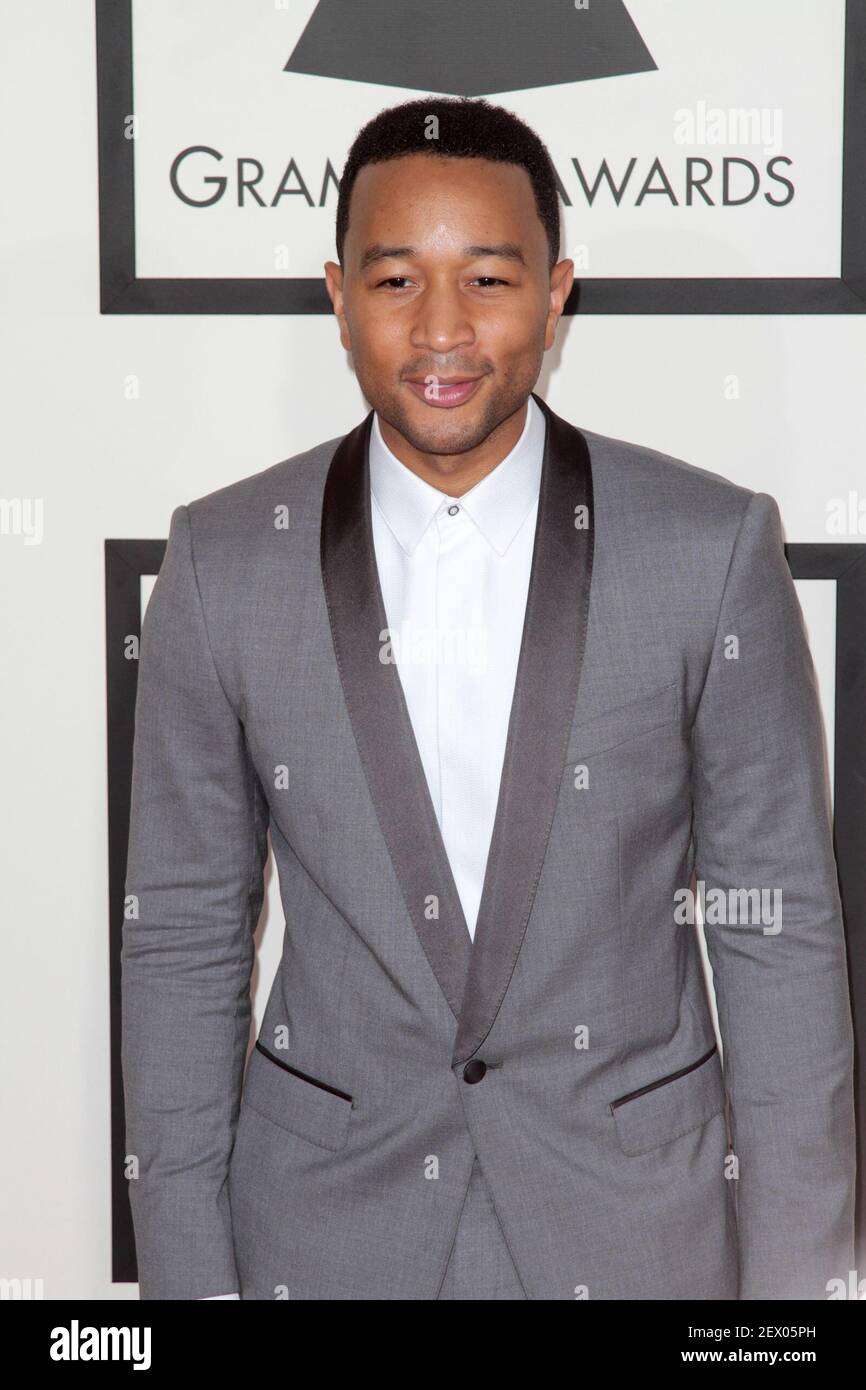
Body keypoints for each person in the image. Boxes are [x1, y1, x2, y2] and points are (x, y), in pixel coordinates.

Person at [121, 96, 855, 1300]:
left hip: (637, 1235)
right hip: (322, 1235)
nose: (441, 330)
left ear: (555, 294)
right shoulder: (220, 563)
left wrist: (793, 1299)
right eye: (397, 280)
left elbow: (771, 933)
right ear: (337, 295)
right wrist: (187, 1281)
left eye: (489, 280)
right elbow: (183, 942)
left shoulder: (707, 548)